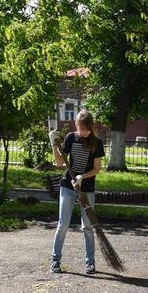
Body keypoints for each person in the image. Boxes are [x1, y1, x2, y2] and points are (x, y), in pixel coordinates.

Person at [48, 109, 105, 275]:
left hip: (86, 189)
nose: (84, 132)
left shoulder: (97, 143)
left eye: (87, 129)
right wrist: (53, 143)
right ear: (77, 126)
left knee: (87, 226)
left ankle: (90, 263)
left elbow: (96, 169)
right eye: (81, 129)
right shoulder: (71, 138)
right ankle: (55, 261)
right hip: (68, 186)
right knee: (63, 224)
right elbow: (59, 163)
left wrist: (82, 176)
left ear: (92, 127)